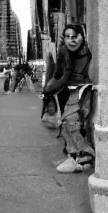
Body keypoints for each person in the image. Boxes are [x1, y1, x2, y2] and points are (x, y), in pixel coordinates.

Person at [43, 24, 95, 173]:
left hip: (82, 90)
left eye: (74, 36)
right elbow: (59, 74)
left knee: (71, 121)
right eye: (67, 37)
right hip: (67, 90)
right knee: (66, 123)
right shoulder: (63, 51)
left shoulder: (87, 50)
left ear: (81, 36)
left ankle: (86, 154)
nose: (71, 40)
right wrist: (49, 88)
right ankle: (75, 155)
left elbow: (64, 74)